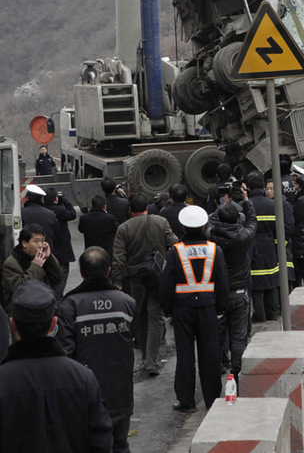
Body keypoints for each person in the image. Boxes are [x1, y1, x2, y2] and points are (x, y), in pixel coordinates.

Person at [0, 280, 113, 452]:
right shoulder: (82, 378)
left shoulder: (3, 380)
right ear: (53, 324)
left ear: (13, 325)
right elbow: (101, 442)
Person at [57, 247, 136, 453]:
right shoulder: (126, 303)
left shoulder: (70, 305)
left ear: (81, 272)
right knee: (120, 444)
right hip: (121, 391)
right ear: (109, 270)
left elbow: (65, 352)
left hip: (84, 394)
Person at [160, 205, 229, 412]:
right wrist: (221, 307)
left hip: (182, 309)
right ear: (205, 226)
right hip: (208, 307)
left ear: (182, 228)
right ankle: (212, 398)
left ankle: (186, 400)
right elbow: (222, 280)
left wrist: (167, 308)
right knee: (210, 353)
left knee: (185, 354)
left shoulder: (175, 252)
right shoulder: (214, 249)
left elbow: (166, 283)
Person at [112, 193, 177, 376]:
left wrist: (117, 281)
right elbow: (175, 243)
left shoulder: (123, 228)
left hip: (135, 278)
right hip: (158, 276)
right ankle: (151, 361)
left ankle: (143, 357)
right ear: (147, 208)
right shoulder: (160, 221)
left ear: (130, 210)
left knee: (140, 316)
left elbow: (118, 258)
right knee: (156, 317)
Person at [208, 184, 257, 385]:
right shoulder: (244, 236)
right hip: (240, 292)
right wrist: (245, 199)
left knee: (218, 335)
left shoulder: (211, 236)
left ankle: (218, 365)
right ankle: (237, 372)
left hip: (218, 294)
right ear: (238, 220)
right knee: (239, 337)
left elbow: (209, 221)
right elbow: (253, 220)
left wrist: (224, 205)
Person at [2, 224, 63, 312]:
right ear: (24, 243)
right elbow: (19, 288)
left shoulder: (42, 258)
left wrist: (49, 258)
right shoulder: (12, 263)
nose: (40, 245)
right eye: (36, 241)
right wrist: (36, 266)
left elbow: (58, 278)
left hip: (45, 308)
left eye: (42, 241)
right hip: (22, 312)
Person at [247, 171, 280, 323]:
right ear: (262, 186)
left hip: (252, 248)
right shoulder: (273, 205)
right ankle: (272, 311)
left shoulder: (246, 206)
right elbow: (278, 228)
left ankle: (259, 313)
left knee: (257, 282)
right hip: (269, 246)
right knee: (271, 278)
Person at [43, 187, 76, 299]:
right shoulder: (60, 211)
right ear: (56, 199)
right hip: (62, 251)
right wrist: (64, 200)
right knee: (62, 276)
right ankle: (57, 298)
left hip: (49, 250)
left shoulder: (44, 210)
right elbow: (72, 213)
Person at [265, 178, 296, 291]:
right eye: (267, 189)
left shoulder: (284, 205)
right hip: (272, 247)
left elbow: (289, 225)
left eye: (272, 189)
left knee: (285, 275)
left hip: (283, 245)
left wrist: (281, 242)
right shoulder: (269, 205)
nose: (269, 191)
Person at [21, 184, 60, 251]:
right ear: (41, 198)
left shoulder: (22, 213)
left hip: (28, 251)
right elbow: (57, 235)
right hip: (46, 251)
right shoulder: (50, 214)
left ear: (27, 197)